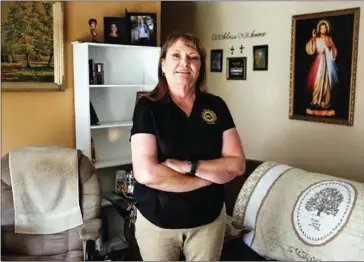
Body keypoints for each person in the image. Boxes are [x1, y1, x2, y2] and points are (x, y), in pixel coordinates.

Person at [130, 32, 246, 261]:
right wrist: (209, 177)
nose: (185, 63)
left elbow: (237, 164)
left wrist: (189, 166)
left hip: (209, 222)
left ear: (200, 66)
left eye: (193, 57)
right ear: (163, 64)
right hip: (158, 223)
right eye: (176, 55)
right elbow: (146, 173)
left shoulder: (216, 105)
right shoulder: (147, 107)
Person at [305, 20, 338, 109]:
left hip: (326, 62)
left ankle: (324, 101)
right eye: (321, 28)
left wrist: (330, 50)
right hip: (319, 61)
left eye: (324, 28)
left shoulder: (329, 39)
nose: (322, 29)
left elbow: (334, 51)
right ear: (319, 29)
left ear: (326, 29)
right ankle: (316, 100)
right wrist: (313, 38)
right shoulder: (316, 38)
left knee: (326, 80)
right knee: (318, 80)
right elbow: (310, 50)